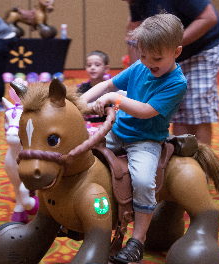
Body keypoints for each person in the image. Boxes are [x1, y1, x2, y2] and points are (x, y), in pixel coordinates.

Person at [81, 13, 187, 264]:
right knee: (84, 156)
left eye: (157, 58)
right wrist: (78, 103)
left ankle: (137, 240)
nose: (148, 63)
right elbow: (106, 85)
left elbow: (145, 110)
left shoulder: (177, 82)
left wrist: (115, 99)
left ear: (177, 52)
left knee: (142, 181)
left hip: (145, 141)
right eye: (143, 56)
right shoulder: (141, 66)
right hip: (117, 131)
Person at [124, 0, 219, 146]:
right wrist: (137, 74)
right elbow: (135, 34)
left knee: (197, 106)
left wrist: (168, 48)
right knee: (177, 105)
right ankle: (183, 160)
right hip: (172, 52)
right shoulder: (135, 1)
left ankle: (204, 165)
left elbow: (208, 18)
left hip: (203, 47)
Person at [78, 50, 111, 123]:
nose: (92, 68)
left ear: (106, 68)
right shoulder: (82, 88)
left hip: (105, 124)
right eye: (89, 65)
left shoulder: (110, 88)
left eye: (97, 65)